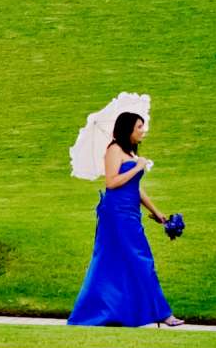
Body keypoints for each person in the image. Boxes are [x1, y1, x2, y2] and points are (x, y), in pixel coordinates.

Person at [67, 110, 180, 327]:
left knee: (123, 262)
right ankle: (163, 313)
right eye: (139, 127)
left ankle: (125, 311)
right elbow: (111, 183)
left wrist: (157, 213)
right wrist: (137, 167)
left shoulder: (130, 154)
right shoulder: (114, 150)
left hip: (131, 214)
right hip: (116, 214)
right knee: (140, 259)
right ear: (128, 129)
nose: (143, 131)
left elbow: (136, 189)